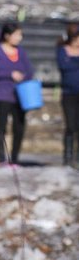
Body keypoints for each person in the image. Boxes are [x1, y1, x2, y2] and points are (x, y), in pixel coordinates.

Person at [0, 22, 34, 166]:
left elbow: (30, 71)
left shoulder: (21, 51)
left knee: (19, 127)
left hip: (21, 96)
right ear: (7, 35)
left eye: (21, 35)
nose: (19, 38)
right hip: (3, 94)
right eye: (17, 35)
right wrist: (10, 74)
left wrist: (22, 76)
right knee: (2, 127)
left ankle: (15, 158)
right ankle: (2, 158)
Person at [58, 23, 79, 168]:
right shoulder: (62, 50)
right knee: (70, 125)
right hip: (69, 94)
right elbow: (64, 66)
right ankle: (68, 156)